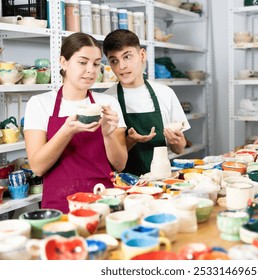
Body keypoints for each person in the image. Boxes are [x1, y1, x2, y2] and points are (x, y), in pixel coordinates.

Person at [24, 32, 128, 213]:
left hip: (104, 200)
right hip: (60, 203)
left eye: (96, 63)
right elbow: (38, 167)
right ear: (63, 62)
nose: (91, 70)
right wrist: (67, 131)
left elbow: (120, 164)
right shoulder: (39, 103)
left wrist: (107, 134)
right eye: (83, 62)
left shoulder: (108, 104)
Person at [103, 29, 190, 176]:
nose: (121, 66)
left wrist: (176, 141)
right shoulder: (107, 101)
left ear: (142, 55)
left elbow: (179, 149)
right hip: (122, 184)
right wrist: (130, 140)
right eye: (114, 60)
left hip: (160, 181)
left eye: (127, 56)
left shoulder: (165, 93)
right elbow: (110, 161)